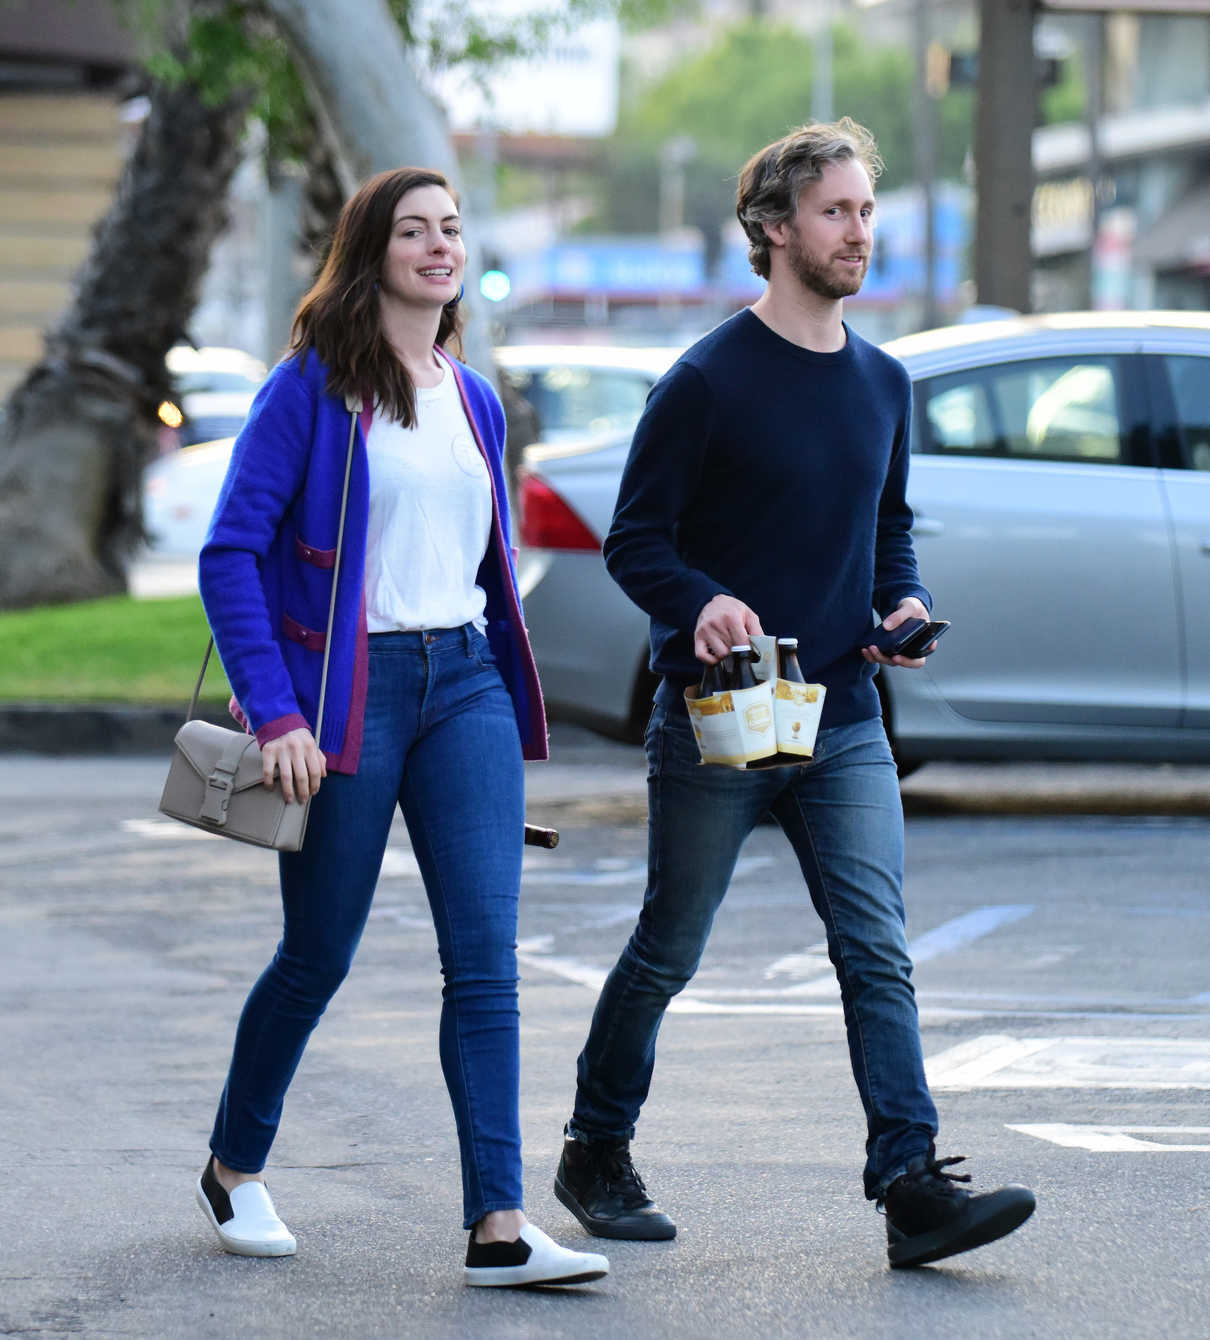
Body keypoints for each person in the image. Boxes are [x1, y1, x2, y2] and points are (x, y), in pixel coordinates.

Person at [553, 120, 1036, 1269]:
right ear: (775, 229)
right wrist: (700, 600)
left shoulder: (881, 381)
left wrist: (902, 608)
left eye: (867, 210)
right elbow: (635, 542)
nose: (858, 231)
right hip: (721, 719)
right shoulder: (705, 381)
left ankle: (910, 1184)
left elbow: (887, 531)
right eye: (836, 212)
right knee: (669, 945)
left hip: (848, 715)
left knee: (875, 946)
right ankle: (594, 1147)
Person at [194, 166, 608, 1288]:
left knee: (484, 960)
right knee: (317, 952)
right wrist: (276, 705)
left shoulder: (472, 395)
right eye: (415, 230)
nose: (439, 246)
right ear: (372, 248)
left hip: (463, 680)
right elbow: (230, 551)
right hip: (349, 696)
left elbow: (476, 559)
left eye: (453, 230)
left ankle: (498, 1224)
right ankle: (233, 1163)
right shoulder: (312, 388)